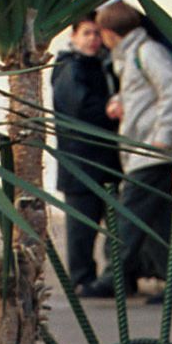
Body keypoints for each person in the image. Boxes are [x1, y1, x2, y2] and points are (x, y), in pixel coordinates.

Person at [82, 0, 172, 303]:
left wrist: (163, 135)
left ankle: (112, 279)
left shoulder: (146, 52)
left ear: (109, 33)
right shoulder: (129, 55)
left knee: (128, 217)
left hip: (152, 151)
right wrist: (119, 101)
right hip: (142, 149)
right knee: (158, 222)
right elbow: (142, 93)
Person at [50, 17, 121, 295]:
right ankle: (81, 279)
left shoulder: (102, 64)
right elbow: (81, 109)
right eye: (87, 33)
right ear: (74, 37)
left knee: (114, 225)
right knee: (81, 228)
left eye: (97, 33)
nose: (93, 39)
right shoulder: (70, 67)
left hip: (105, 161)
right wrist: (110, 108)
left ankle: (111, 279)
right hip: (80, 162)